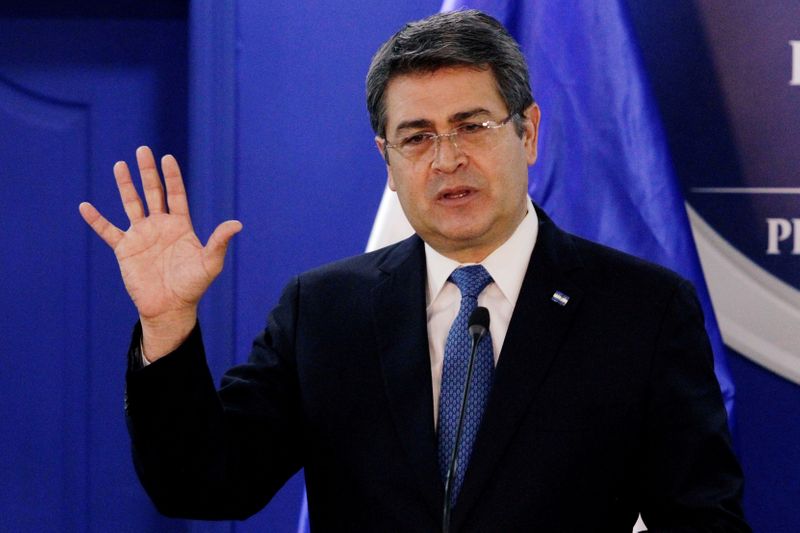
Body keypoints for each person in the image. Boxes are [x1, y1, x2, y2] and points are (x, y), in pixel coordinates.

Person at [79, 10, 749, 532]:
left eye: (472, 125)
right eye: (417, 136)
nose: (447, 157)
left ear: (528, 132)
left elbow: (703, 518)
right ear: (389, 160)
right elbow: (204, 481)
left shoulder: (641, 309)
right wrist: (167, 325)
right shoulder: (324, 310)